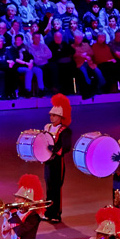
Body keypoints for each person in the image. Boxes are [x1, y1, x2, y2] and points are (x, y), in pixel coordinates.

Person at [42, 94, 72, 223]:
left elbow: (66, 147)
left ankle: (56, 214)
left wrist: (53, 149)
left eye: (54, 115)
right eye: (51, 115)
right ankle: (48, 212)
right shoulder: (47, 127)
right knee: (48, 187)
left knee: (56, 188)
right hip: (48, 162)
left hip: (57, 163)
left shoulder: (65, 131)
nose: (51, 117)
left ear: (61, 117)